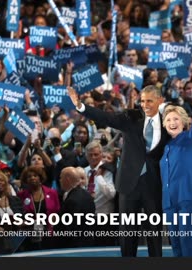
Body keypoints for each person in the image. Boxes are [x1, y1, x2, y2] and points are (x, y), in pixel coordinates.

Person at [68, 85, 168, 257]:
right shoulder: (131, 118)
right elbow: (106, 117)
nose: (145, 104)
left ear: (160, 101)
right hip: (129, 184)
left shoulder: (169, 122)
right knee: (128, 235)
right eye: (142, 101)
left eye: (149, 101)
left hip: (154, 185)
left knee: (154, 233)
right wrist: (81, 106)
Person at [159, 83, 192, 257]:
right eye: (169, 120)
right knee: (177, 246)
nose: (172, 122)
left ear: (183, 121)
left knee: (188, 243)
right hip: (170, 204)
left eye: (176, 119)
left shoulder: (190, 140)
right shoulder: (165, 147)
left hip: (190, 199)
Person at [54, 167, 95, 248]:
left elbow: (67, 229)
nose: (60, 180)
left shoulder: (72, 200)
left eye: (61, 177)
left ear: (68, 179)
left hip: (74, 246)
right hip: (87, 242)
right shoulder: (87, 195)